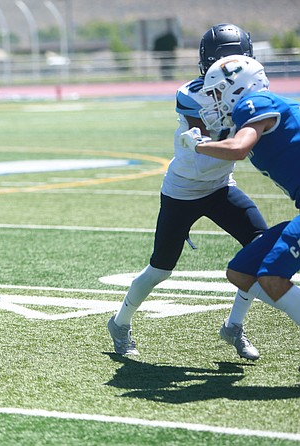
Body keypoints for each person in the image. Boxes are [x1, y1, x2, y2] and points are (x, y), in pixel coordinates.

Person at [107, 24, 267, 359]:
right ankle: (120, 322)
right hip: (183, 189)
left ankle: (234, 325)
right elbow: (208, 137)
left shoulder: (253, 95)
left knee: (261, 250)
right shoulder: (192, 93)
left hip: (222, 186)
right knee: (161, 268)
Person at [180, 55, 300, 350]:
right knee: (241, 271)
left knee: (272, 276)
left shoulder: (255, 102)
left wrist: (199, 144)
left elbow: (238, 148)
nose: (215, 100)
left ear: (238, 86)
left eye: (218, 92)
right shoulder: (258, 109)